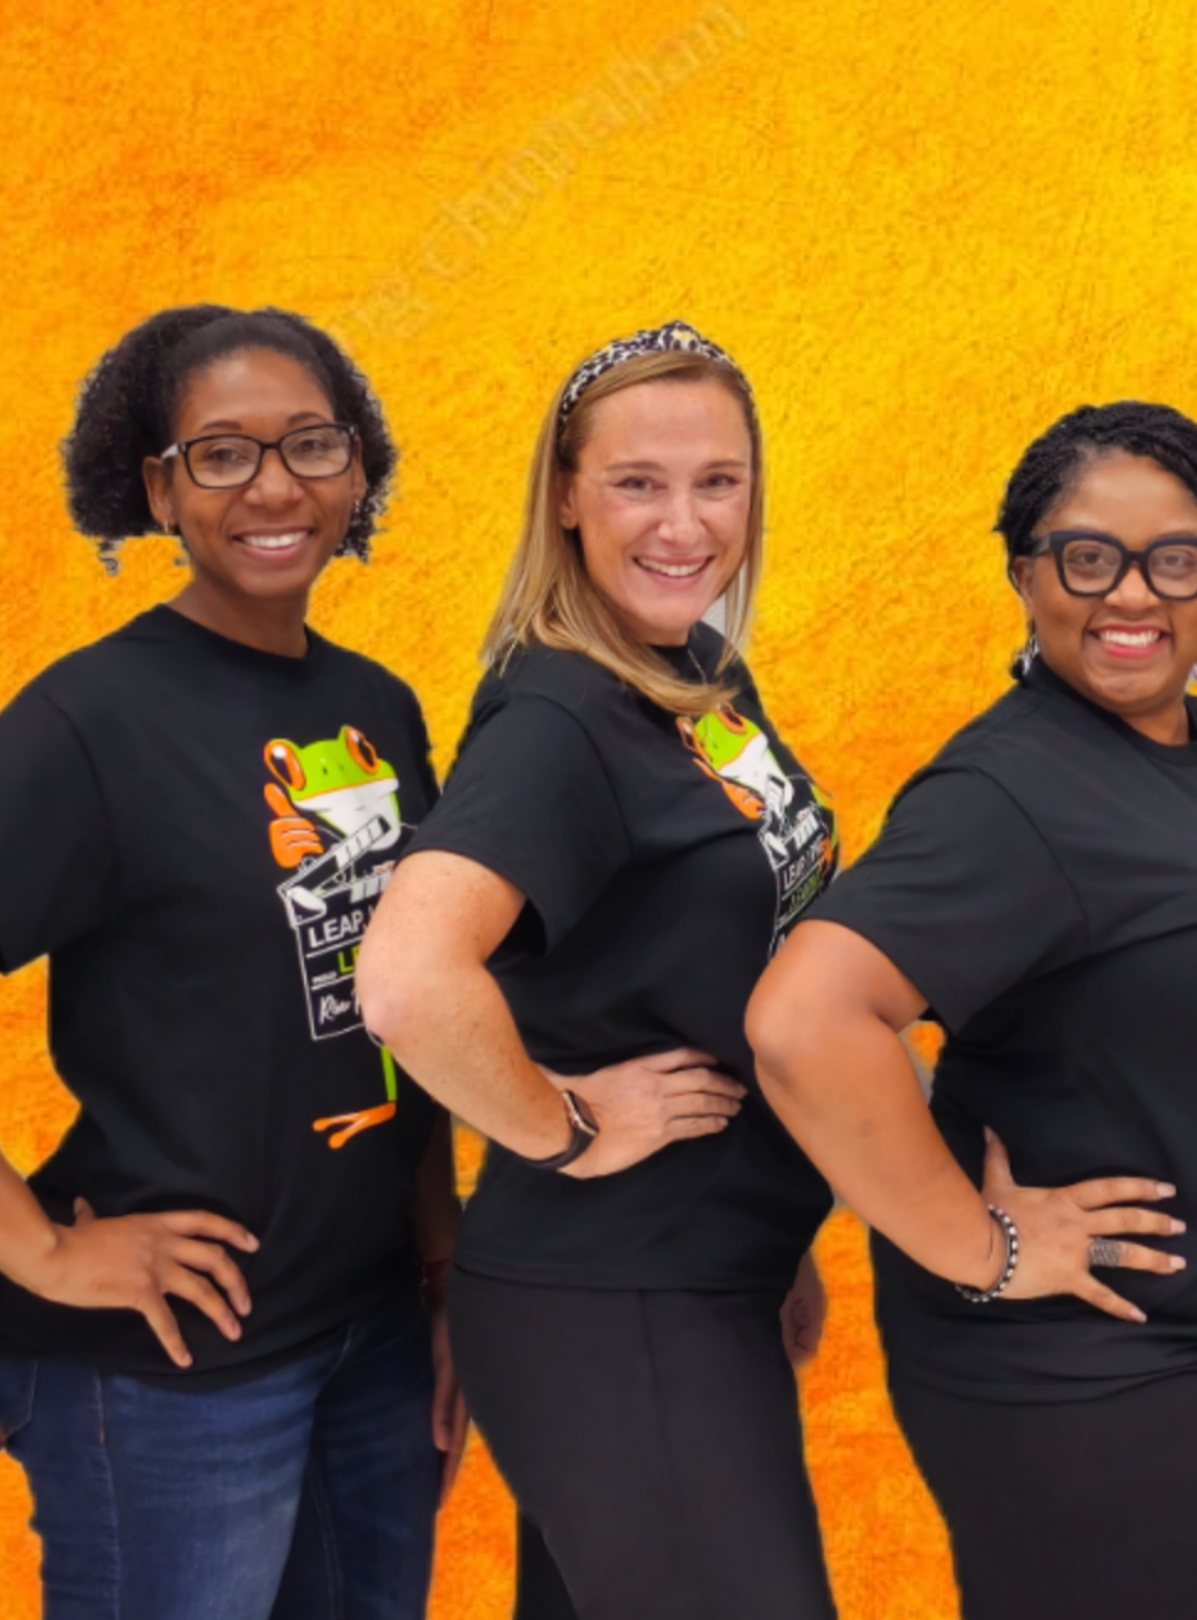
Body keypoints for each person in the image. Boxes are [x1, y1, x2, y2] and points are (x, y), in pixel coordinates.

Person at [0, 306, 456, 1619]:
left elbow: (407, 1011)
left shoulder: (377, 708)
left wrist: (441, 1277)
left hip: (370, 1336)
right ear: (155, 486)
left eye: (309, 444)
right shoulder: (97, 718)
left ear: (356, 467)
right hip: (173, 1371)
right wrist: (34, 1251)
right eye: (219, 454)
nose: (273, 485)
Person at [747, 401, 1197, 1620]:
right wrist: (987, 1249)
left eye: (1176, 559)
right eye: (1089, 557)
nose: (1131, 595)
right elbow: (804, 1023)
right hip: (1087, 1368)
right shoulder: (1011, 790)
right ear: (1025, 574)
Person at [350, 318, 839, 1620]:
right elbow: (404, 976)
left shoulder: (693, 676)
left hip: (696, 1276)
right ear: (564, 494)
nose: (683, 523)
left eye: (716, 481)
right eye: (637, 481)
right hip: (614, 1299)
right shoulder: (563, 712)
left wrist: (773, 1226)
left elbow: (710, 960)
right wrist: (563, 1124)